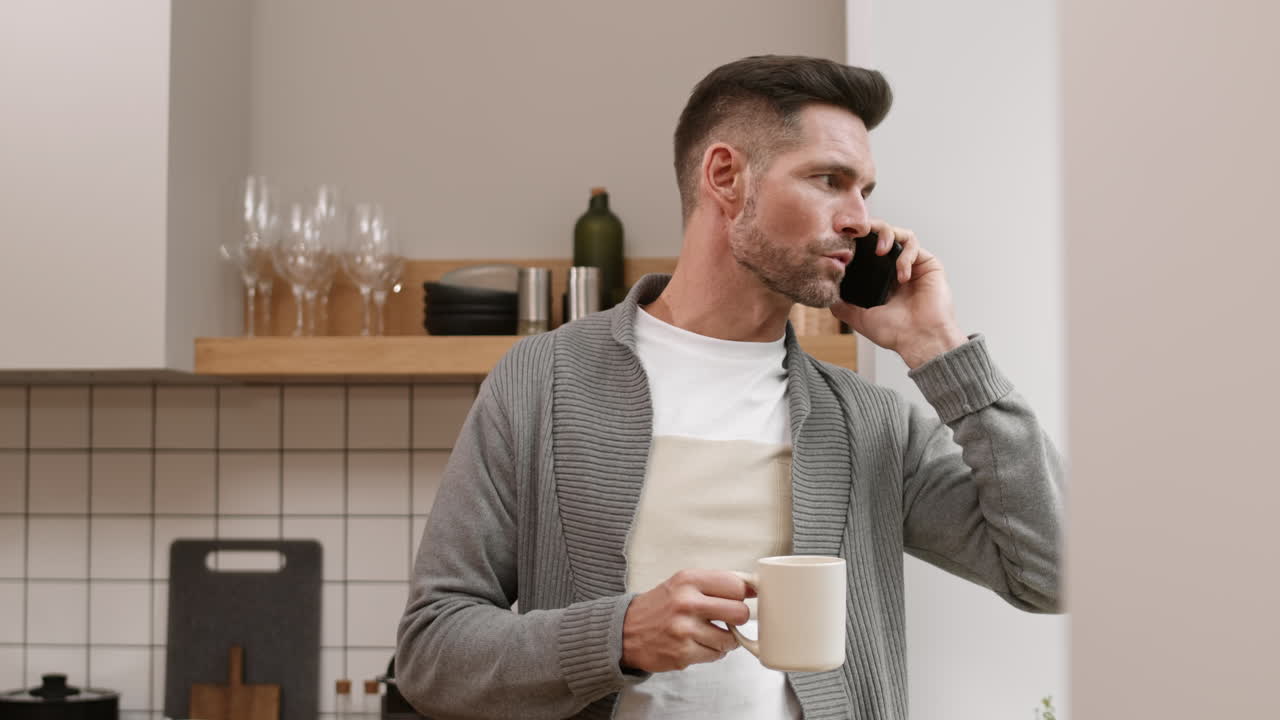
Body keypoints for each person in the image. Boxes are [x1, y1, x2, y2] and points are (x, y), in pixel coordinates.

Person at [396, 55, 1064, 720]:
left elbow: (1054, 572)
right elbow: (432, 655)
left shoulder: (870, 423)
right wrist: (618, 635)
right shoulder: (542, 381)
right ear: (726, 177)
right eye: (830, 180)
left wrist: (938, 348)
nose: (861, 219)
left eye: (865, 191)